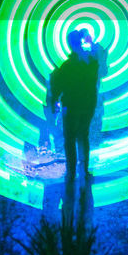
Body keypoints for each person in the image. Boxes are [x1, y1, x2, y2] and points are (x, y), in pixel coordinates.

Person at [45, 28, 104, 228]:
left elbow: (56, 87)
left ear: (69, 44)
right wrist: (91, 40)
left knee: (70, 139)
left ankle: (72, 172)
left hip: (72, 107)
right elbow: (100, 60)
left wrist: (53, 103)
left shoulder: (67, 66)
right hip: (88, 106)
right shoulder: (90, 62)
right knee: (83, 137)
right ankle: (84, 170)